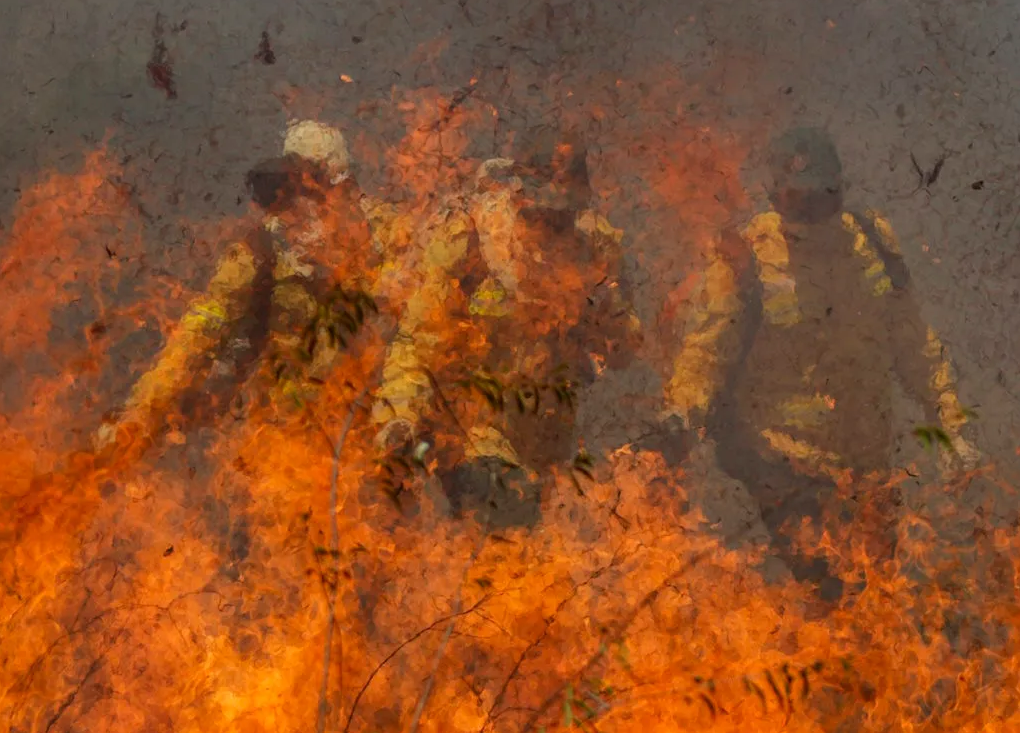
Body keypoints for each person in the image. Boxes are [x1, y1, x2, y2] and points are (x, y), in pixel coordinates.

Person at [659, 126, 977, 593]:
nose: (809, 204)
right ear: (773, 192)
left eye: (820, 191)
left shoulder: (872, 241)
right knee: (824, 598)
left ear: (840, 185)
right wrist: (683, 409)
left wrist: (950, 424)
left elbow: (914, 343)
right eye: (796, 194)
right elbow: (709, 348)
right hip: (785, 469)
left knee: (874, 599)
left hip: (867, 471)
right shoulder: (746, 256)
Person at [370, 128, 641, 526]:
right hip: (472, 431)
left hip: (547, 437)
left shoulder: (594, 247)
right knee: (499, 511)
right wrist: (400, 415)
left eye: (563, 215)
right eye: (543, 213)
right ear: (520, 195)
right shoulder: (473, 239)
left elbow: (623, 352)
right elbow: (419, 338)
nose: (551, 226)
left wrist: (606, 315)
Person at [94, 119, 378, 458]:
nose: (307, 202)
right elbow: (201, 330)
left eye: (319, 187)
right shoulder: (260, 250)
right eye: (297, 187)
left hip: (363, 427)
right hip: (282, 432)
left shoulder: (382, 237)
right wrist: (142, 410)